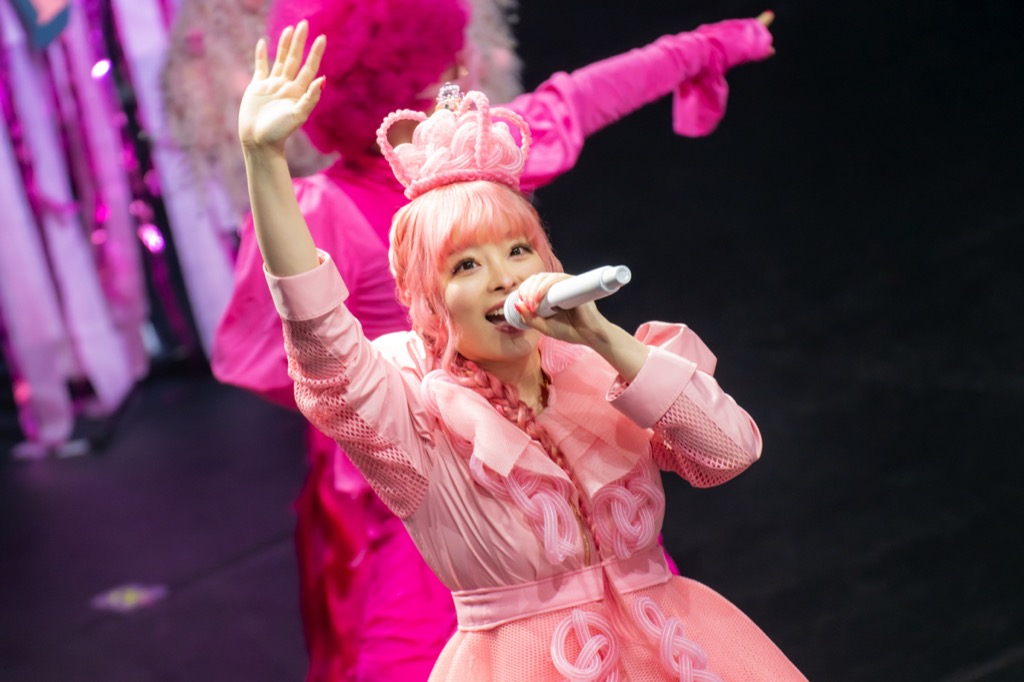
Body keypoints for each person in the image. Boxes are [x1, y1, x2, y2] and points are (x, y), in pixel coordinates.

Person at [213, 2, 777, 678]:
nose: (504, 277)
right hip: (430, 464)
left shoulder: (587, 365)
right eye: (465, 266)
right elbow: (317, 340)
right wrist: (264, 159)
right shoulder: (414, 406)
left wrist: (603, 340)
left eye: (516, 250)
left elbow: (729, 452)